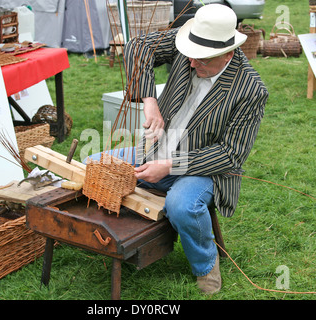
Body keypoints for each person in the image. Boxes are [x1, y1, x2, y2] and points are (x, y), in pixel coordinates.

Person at [121, 4, 269, 295]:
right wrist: (148, 98)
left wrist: (170, 165)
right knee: (97, 165)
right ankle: (125, 247)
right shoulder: (191, 42)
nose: (191, 63)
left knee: (182, 205)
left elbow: (230, 154)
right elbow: (138, 46)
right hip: (157, 149)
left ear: (227, 54)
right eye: (190, 56)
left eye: (201, 60)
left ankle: (205, 265)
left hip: (205, 169)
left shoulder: (250, 90)